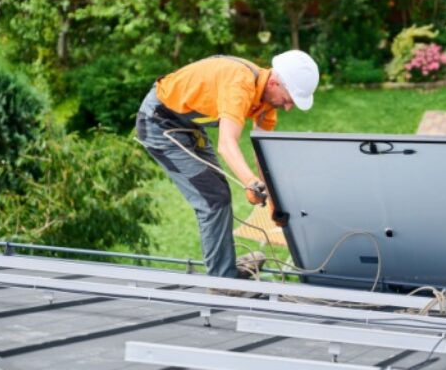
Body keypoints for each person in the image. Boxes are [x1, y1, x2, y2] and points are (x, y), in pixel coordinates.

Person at [136, 50, 319, 280]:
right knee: (214, 197)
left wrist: (274, 200)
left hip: (189, 126)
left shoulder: (267, 104)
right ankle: (223, 282)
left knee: (218, 192)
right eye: (288, 99)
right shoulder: (240, 84)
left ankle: (226, 269)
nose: (289, 107)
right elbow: (226, 144)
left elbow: (261, 155)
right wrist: (250, 183)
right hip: (158, 123)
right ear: (274, 83)